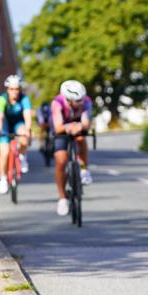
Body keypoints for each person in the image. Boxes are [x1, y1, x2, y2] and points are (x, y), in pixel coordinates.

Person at [51, 80, 93, 216]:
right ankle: (62, 198)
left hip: (77, 127)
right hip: (62, 130)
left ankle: (84, 169)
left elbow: (86, 122)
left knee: (81, 139)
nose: (81, 102)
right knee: (61, 161)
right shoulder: (57, 103)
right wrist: (69, 127)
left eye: (81, 99)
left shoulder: (86, 101)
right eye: (77, 101)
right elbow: (58, 127)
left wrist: (80, 126)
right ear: (68, 100)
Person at [0, 75, 33, 194]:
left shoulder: (24, 99)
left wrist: (28, 129)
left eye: (17, 89)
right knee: (4, 152)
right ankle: (3, 179)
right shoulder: (2, 99)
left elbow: (27, 116)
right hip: (5, 124)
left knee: (24, 135)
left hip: (18, 123)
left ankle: (22, 156)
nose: (14, 92)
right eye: (12, 89)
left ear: (20, 89)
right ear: (7, 89)